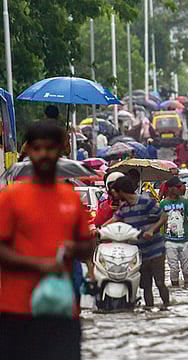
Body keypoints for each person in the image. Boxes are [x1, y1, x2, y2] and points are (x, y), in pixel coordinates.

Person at [0, 121, 94, 359]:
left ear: (60, 151)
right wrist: (39, 265)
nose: (43, 154)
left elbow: (87, 246)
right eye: (38, 148)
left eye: (50, 148)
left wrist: (74, 248)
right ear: (29, 151)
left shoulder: (70, 199)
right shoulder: (10, 198)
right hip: (16, 311)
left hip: (62, 311)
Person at [104, 176, 170, 307]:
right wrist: (99, 229)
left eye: (116, 192)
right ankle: (149, 309)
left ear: (121, 191)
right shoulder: (124, 208)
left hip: (156, 250)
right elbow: (114, 220)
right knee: (146, 286)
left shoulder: (145, 201)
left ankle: (167, 307)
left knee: (160, 283)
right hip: (139, 253)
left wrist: (152, 230)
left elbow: (163, 216)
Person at [148, 176, 188, 286]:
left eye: (181, 186)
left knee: (187, 268)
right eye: (178, 186)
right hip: (169, 240)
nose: (181, 188)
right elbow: (160, 221)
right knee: (173, 268)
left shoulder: (185, 202)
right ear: (170, 189)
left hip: (185, 239)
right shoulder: (163, 204)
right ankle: (175, 288)